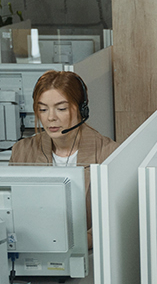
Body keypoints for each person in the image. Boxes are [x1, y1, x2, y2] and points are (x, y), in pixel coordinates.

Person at [10, 70, 119, 248]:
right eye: (43, 109)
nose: (51, 117)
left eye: (61, 108)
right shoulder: (22, 152)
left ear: (82, 109)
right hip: (32, 254)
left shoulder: (108, 154)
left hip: (88, 256)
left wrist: (81, 242)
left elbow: (115, 220)